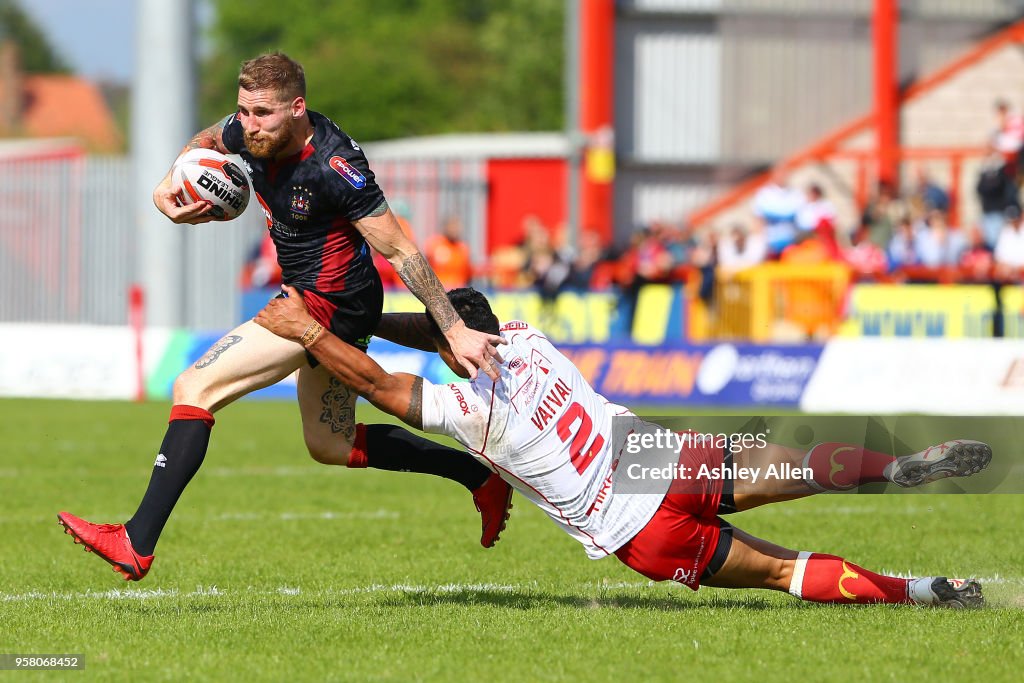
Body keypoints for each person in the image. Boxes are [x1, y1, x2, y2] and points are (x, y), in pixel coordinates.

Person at [57, 52, 512, 581]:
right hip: (313, 293)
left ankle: (137, 542)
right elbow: (205, 140)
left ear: (297, 108)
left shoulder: (337, 166)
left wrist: (453, 327)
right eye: (243, 111)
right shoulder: (249, 129)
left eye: (263, 114)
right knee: (329, 445)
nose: (248, 126)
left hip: (329, 304)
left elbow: (402, 251)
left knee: (194, 386)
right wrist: (167, 187)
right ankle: (477, 475)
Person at [255, 285, 991, 608]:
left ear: (452, 347)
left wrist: (317, 328)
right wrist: (442, 321)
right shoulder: (530, 343)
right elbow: (463, 322)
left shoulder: (469, 413)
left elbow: (380, 387)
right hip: (652, 454)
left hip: (633, 525)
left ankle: (921, 591)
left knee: (780, 570)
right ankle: (893, 465)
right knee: (797, 467)